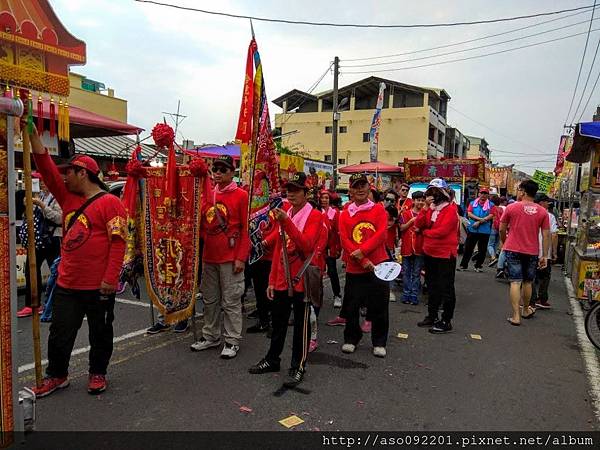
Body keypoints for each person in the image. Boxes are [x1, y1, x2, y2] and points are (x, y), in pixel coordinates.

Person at [28, 127, 127, 397]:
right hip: (67, 283)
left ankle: (98, 372)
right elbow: (46, 168)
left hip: (99, 286)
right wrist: (33, 136)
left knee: (100, 333)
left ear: (83, 173)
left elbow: (118, 244)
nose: (64, 177)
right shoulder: (68, 198)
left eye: (69, 172)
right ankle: (57, 375)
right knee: (60, 333)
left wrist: (110, 278)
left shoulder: (111, 203)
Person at [248, 172, 323, 387]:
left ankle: (298, 366)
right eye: (288, 190)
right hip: (282, 278)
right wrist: (272, 280)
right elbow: (280, 248)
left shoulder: (314, 216)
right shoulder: (286, 212)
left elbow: (306, 246)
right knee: (278, 323)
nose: (291, 194)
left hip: (302, 279)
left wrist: (287, 222)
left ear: (305, 193)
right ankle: (272, 359)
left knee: (301, 326)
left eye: (296, 190)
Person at [190, 155, 249, 359]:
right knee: (210, 299)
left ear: (232, 173)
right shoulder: (207, 194)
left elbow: (245, 229)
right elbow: (201, 225)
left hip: (230, 257)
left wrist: (241, 257)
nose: (218, 173)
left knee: (231, 300)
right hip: (210, 257)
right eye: (215, 169)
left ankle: (232, 340)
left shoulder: (241, 196)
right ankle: (211, 336)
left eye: (223, 170)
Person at [338, 173, 389, 357]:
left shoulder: (379, 210)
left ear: (369, 188)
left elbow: (381, 234)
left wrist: (364, 251)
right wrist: (362, 259)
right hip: (355, 266)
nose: (360, 189)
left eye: (363, 185)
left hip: (378, 266)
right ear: (350, 190)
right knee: (351, 305)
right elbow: (345, 239)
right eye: (356, 186)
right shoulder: (344, 214)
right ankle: (351, 338)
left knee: (380, 305)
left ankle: (379, 341)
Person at [500, 180, 550, 326]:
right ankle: (526, 309)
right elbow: (546, 234)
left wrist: (504, 242)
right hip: (532, 250)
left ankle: (516, 316)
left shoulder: (511, 207)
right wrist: (544, 255)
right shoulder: (542, 212)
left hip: (513, 248)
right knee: (528, 282)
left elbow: (502, 229)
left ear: (522, 191)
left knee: (515, 282)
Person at [415, 178, 459, 334]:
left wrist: (425, 233)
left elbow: (441, 232)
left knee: (446, 288)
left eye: (436, 191)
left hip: (445, 255)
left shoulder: (451, 210)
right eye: (431, 192)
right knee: (431, 286)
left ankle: (446, 320)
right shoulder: (431, 208)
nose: (433, 195)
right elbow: (418, 224)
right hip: (429, 253)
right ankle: (432, 316)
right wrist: (426, 207)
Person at [17, 174, 63, 318]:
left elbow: (60, 218)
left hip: (52, 239)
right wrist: (28, 206)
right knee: (30, 270)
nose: (42, 185)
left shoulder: (57, 198)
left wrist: (42, 206)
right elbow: (30, 218)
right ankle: (32, 304)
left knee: (57, 272)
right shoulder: (38, 195)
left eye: (44, 181)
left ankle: (62, 302)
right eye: (40, 182)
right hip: (37, 239)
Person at [531, 193, 558, 310]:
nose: (548, 204)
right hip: (544, 252)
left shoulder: (528, 213)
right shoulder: (549, 216)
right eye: (547, 202)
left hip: (529, 249)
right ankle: (541, 299)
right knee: (544, 276)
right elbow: (554, 235)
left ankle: (529, 299)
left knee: (529, 276)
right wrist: (554, 252)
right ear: (542, 202)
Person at [459, 188, 494, 272]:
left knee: (482, 250)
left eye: (485, 193)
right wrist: (479, 220)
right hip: (473, 229)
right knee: (468, 248)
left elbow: (491, 215)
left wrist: (479, 222)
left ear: (488, 195)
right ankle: (463, 265)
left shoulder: (491, 205)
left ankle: (478, 266)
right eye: (482, 193)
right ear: (478, 194)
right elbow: (469, 213)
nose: (483, 195)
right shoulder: (472, 203)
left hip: (484, 230)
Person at [399, 191, 425, 305]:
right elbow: (401, 228)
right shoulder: (405, 214)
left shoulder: (425, 214)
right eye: (418, 200)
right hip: (407, 247)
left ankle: (414, 294)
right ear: (413, 201)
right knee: (406, 272)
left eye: (422, 200)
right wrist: (411, 221)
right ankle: (406, 293)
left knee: (416, 273)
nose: (420, 202)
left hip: (420, 248)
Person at [320, 190, 342, 308]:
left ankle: (337, 295)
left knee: (332, 272)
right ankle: (318, 296)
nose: (324, 200)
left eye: (326, 198)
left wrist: (339, 248)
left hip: (331, 247)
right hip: (319, 249)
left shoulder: (335, 213)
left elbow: (338, 232)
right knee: (318, 272)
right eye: (322, 198)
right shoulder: (317, 212)